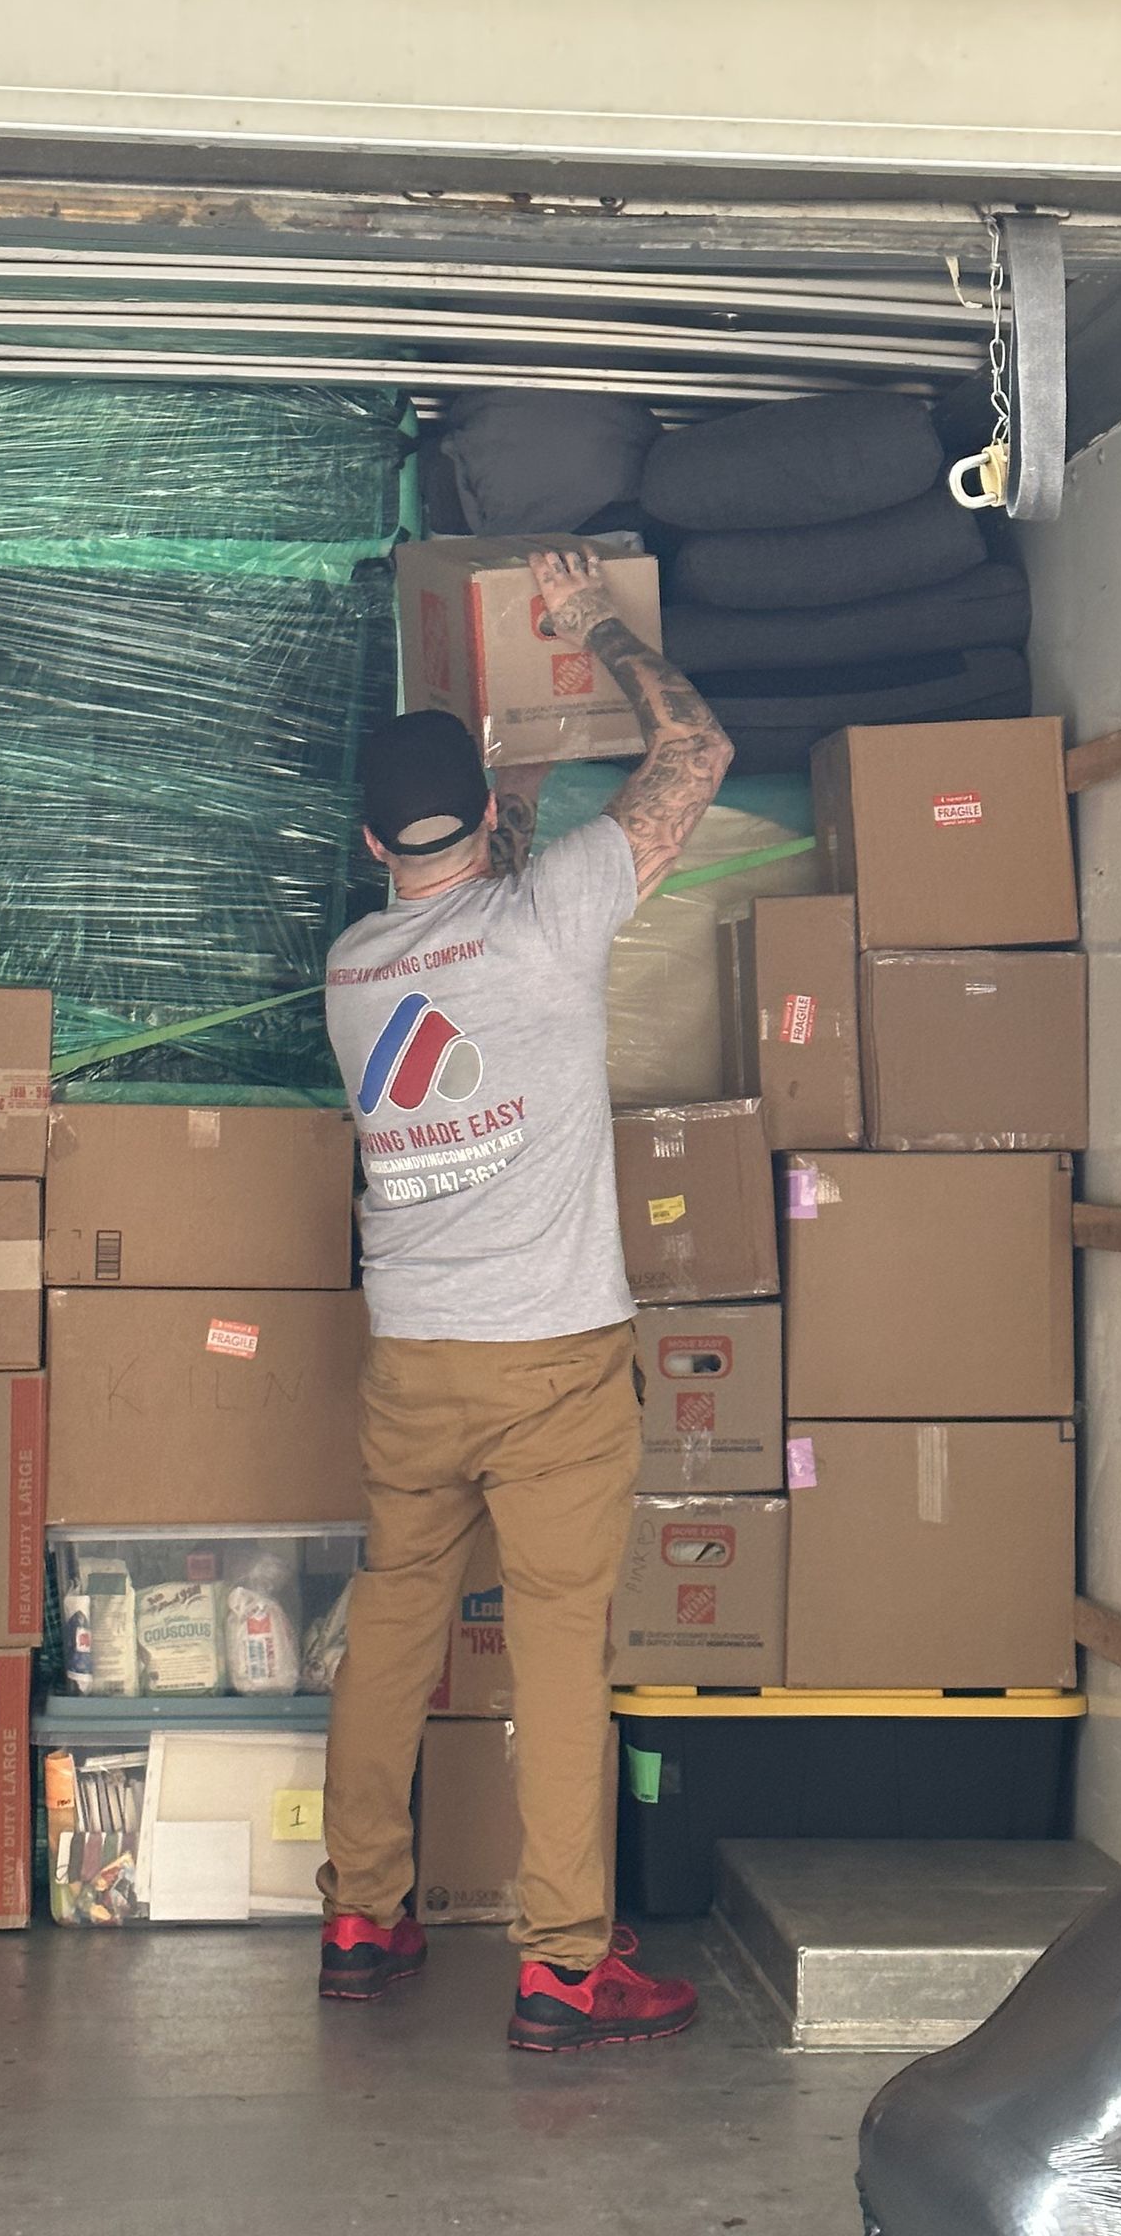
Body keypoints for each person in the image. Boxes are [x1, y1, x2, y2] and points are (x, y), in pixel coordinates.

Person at [315, 546, 733, 2054]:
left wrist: (508, 759)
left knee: (394, 1623)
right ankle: (563, 1964)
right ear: (490, 820)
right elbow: (699, 752)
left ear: (373, 839)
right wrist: (590, 631)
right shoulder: (547, 923)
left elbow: (487, 888)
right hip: (551, 1364)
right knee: (561, 1649)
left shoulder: (355, 967)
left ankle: (363, 1913)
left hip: (411, 1364)